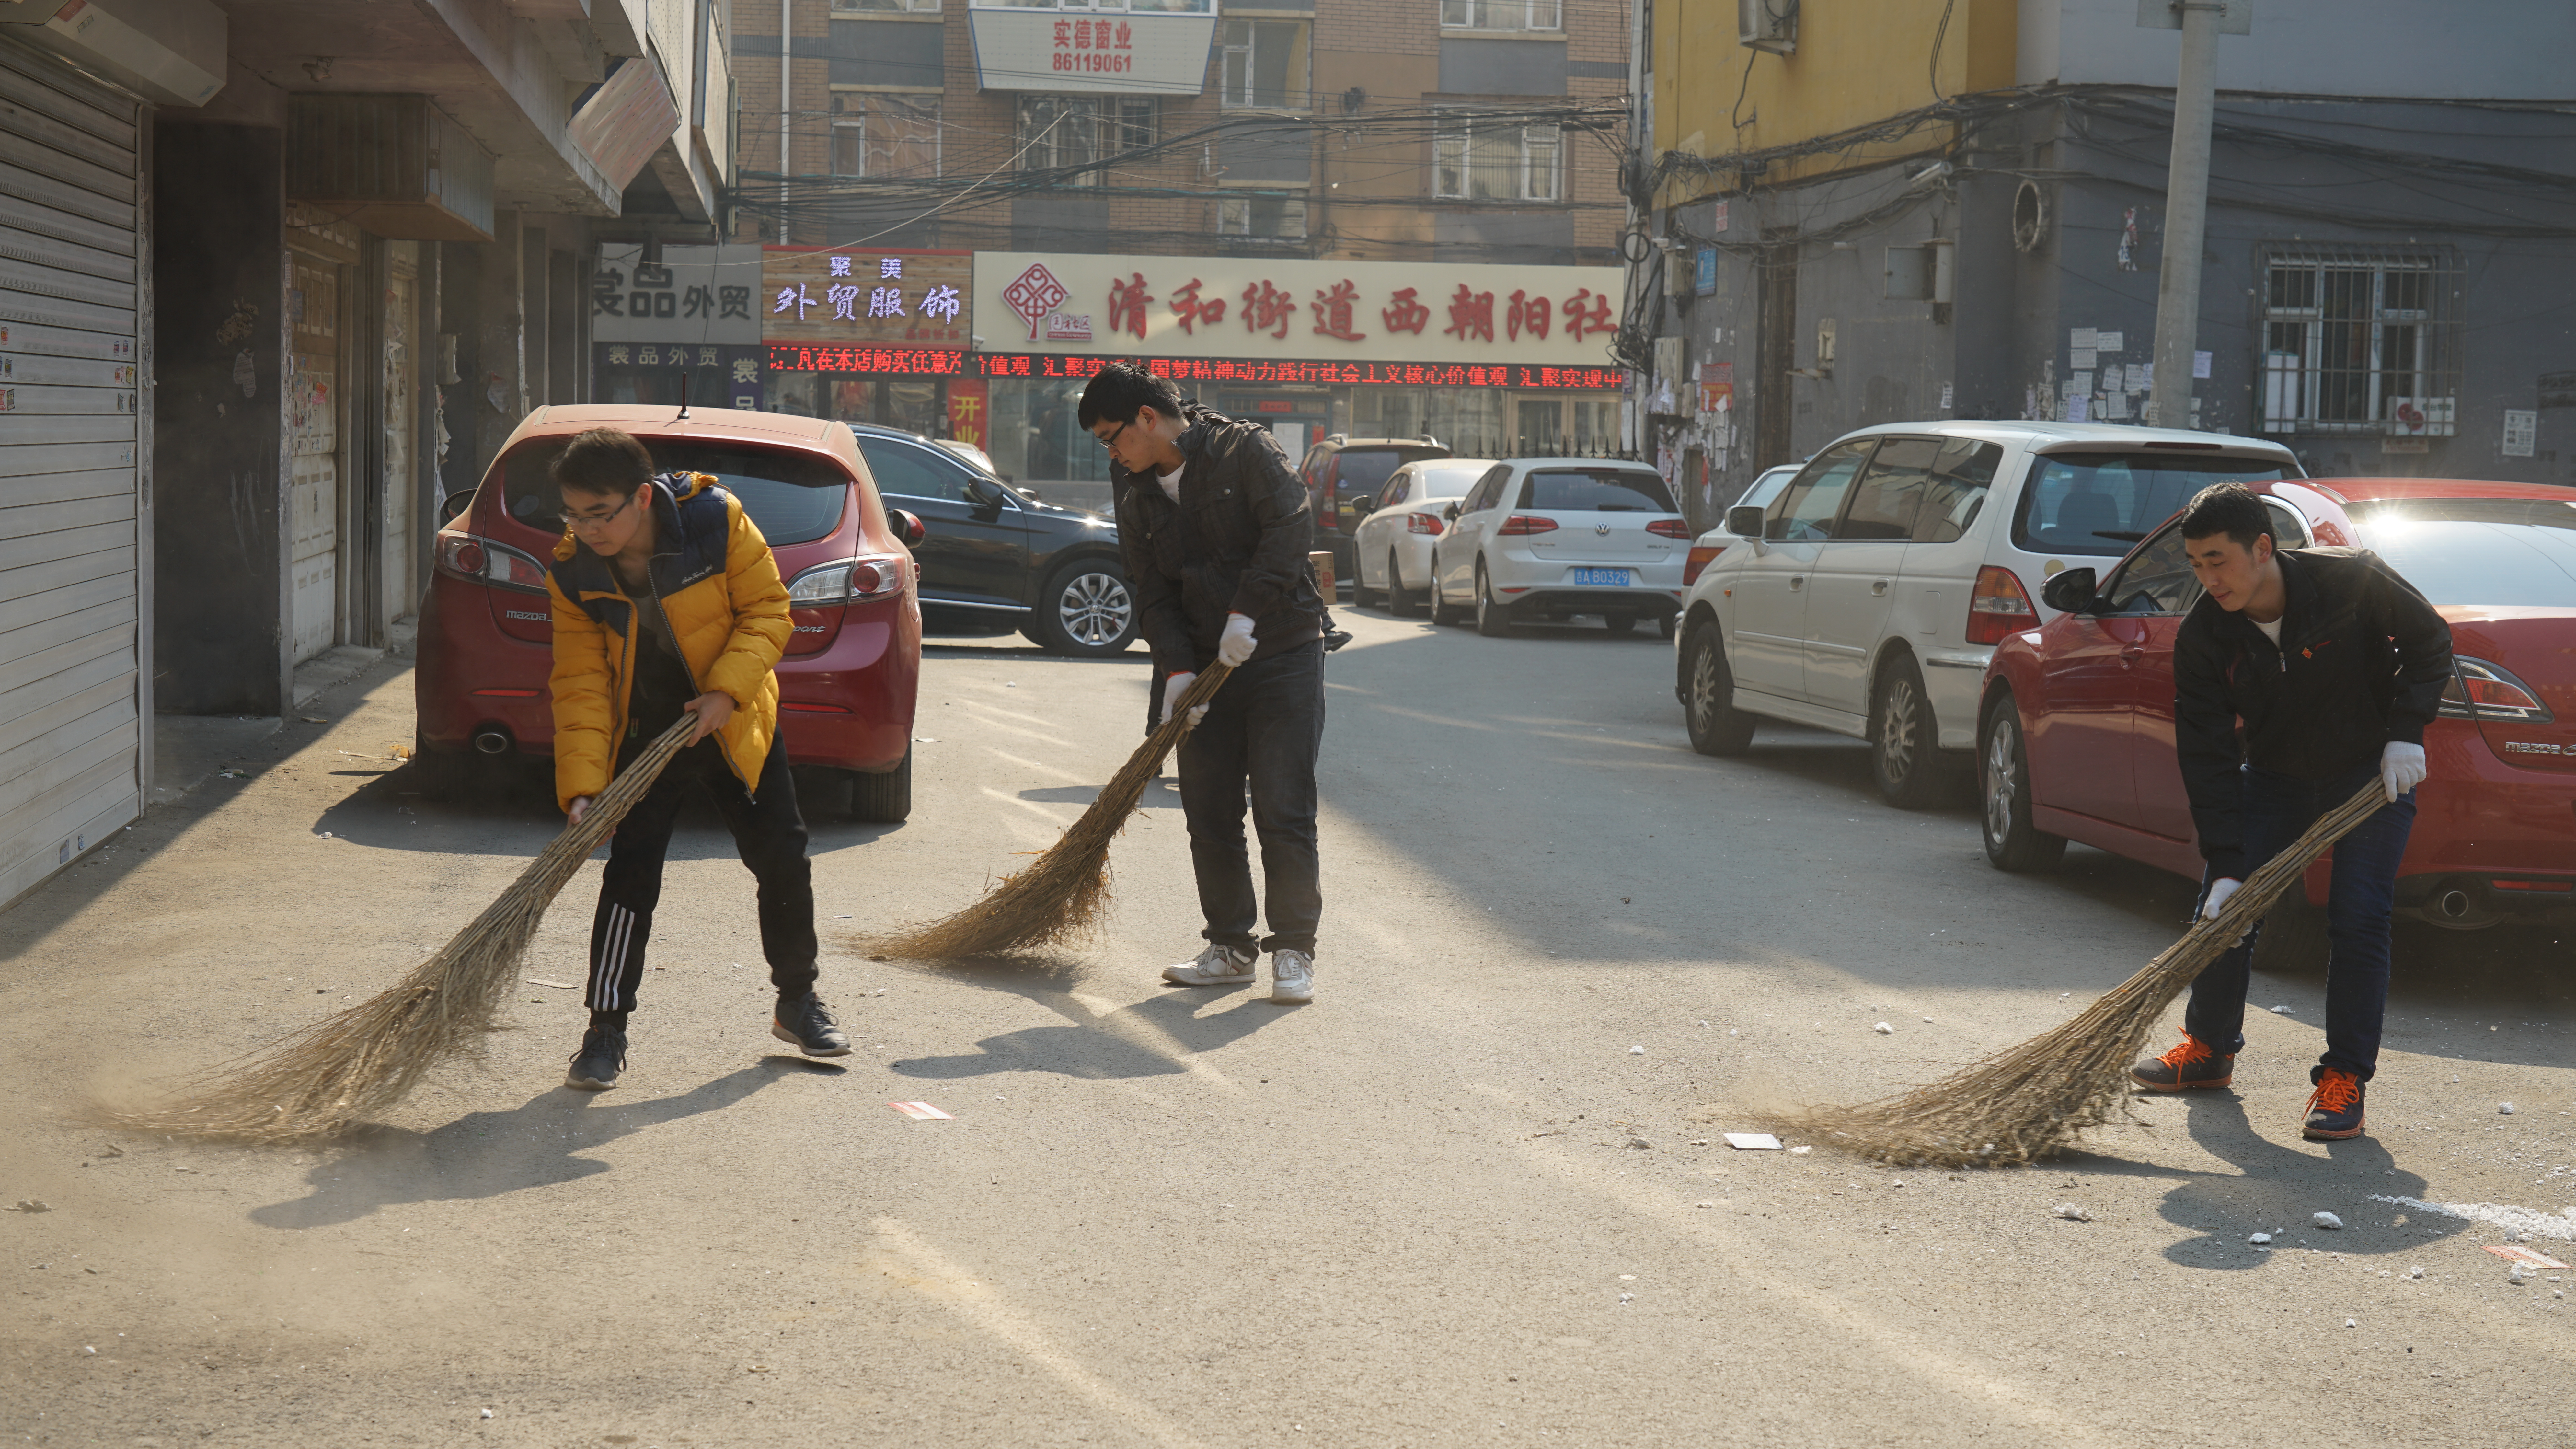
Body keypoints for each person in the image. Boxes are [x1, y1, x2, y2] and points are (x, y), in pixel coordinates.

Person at [2128, 483, 2452, 1139]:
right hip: (2274, 777)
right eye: (2195, 564)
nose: (2207, 578)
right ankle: (2208, 1049)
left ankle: (2344, 1079)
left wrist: (2407, 730)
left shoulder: (2350, 582)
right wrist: (2224, 860)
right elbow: (2207, 751)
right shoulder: (2204, 636)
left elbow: (2430, 640)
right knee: (2224, 910)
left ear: (2262, 548)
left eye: (2218, 560)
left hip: (2369, 772)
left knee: (2357, 915)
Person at [544, 427, 851, 1090]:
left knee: (782, 857)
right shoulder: (573, 570)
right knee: (630, 877)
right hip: (647, 730)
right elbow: (580, 682)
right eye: (574, 513)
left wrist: (724, 693)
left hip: (732, 715)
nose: (587, 528)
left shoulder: (715, 521)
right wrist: (583, 786)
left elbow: (769, 609)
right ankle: (605, 1030)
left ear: (644, 497)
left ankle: (798, 1001)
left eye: (601, 513)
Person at [1081, 365, 1330, 1004]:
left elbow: (1291, 527)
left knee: (1283, 807)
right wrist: (1177, 670)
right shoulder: (1131, 481)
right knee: (1209, 812)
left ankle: (1294, 952)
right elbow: (1150, 583)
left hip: (1280, 652)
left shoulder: (1244, 449)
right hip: (1202, 664)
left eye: (1114, 437)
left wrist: (1247, 611)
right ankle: (1229, 947)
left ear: (1147, 418)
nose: (1112, 452)